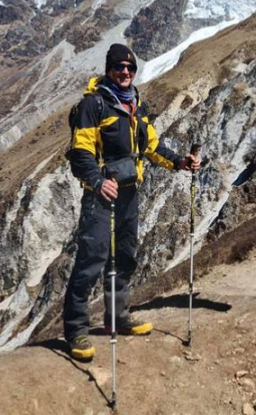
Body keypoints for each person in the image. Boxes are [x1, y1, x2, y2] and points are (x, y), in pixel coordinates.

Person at [63, 43, 200, 361]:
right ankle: (76, 331)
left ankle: (118, 317)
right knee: (91, 260)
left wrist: (180, 162)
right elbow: (80, 152)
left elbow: (151, 146)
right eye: (118, 67)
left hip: (129, 194)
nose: (125, 72)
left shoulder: (135, 104)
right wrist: (97, 182)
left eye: (130, 67)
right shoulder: (93, 105)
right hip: (101, 195)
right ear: (108, 69)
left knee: (124, 257)